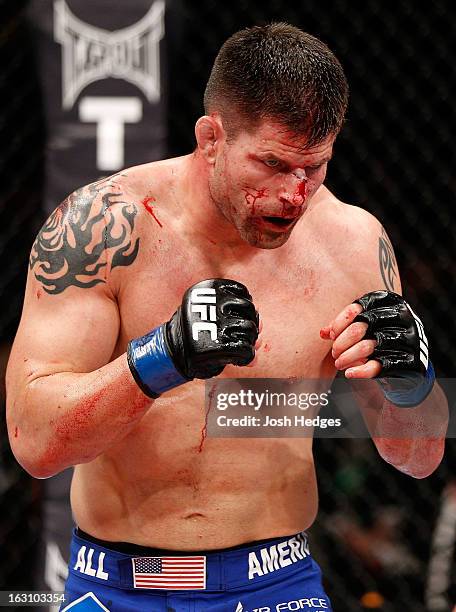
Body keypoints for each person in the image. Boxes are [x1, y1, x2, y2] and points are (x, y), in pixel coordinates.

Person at [6, 23, 448, 611]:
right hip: (118, 585)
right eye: (271, 163)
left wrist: (413, 389)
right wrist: (161, 358)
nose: (293, 193)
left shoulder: (353, 244)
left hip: (276, 584)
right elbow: (34, 443)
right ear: (211, 138)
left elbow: (418, 457)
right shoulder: (103, 229)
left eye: (313, 167)